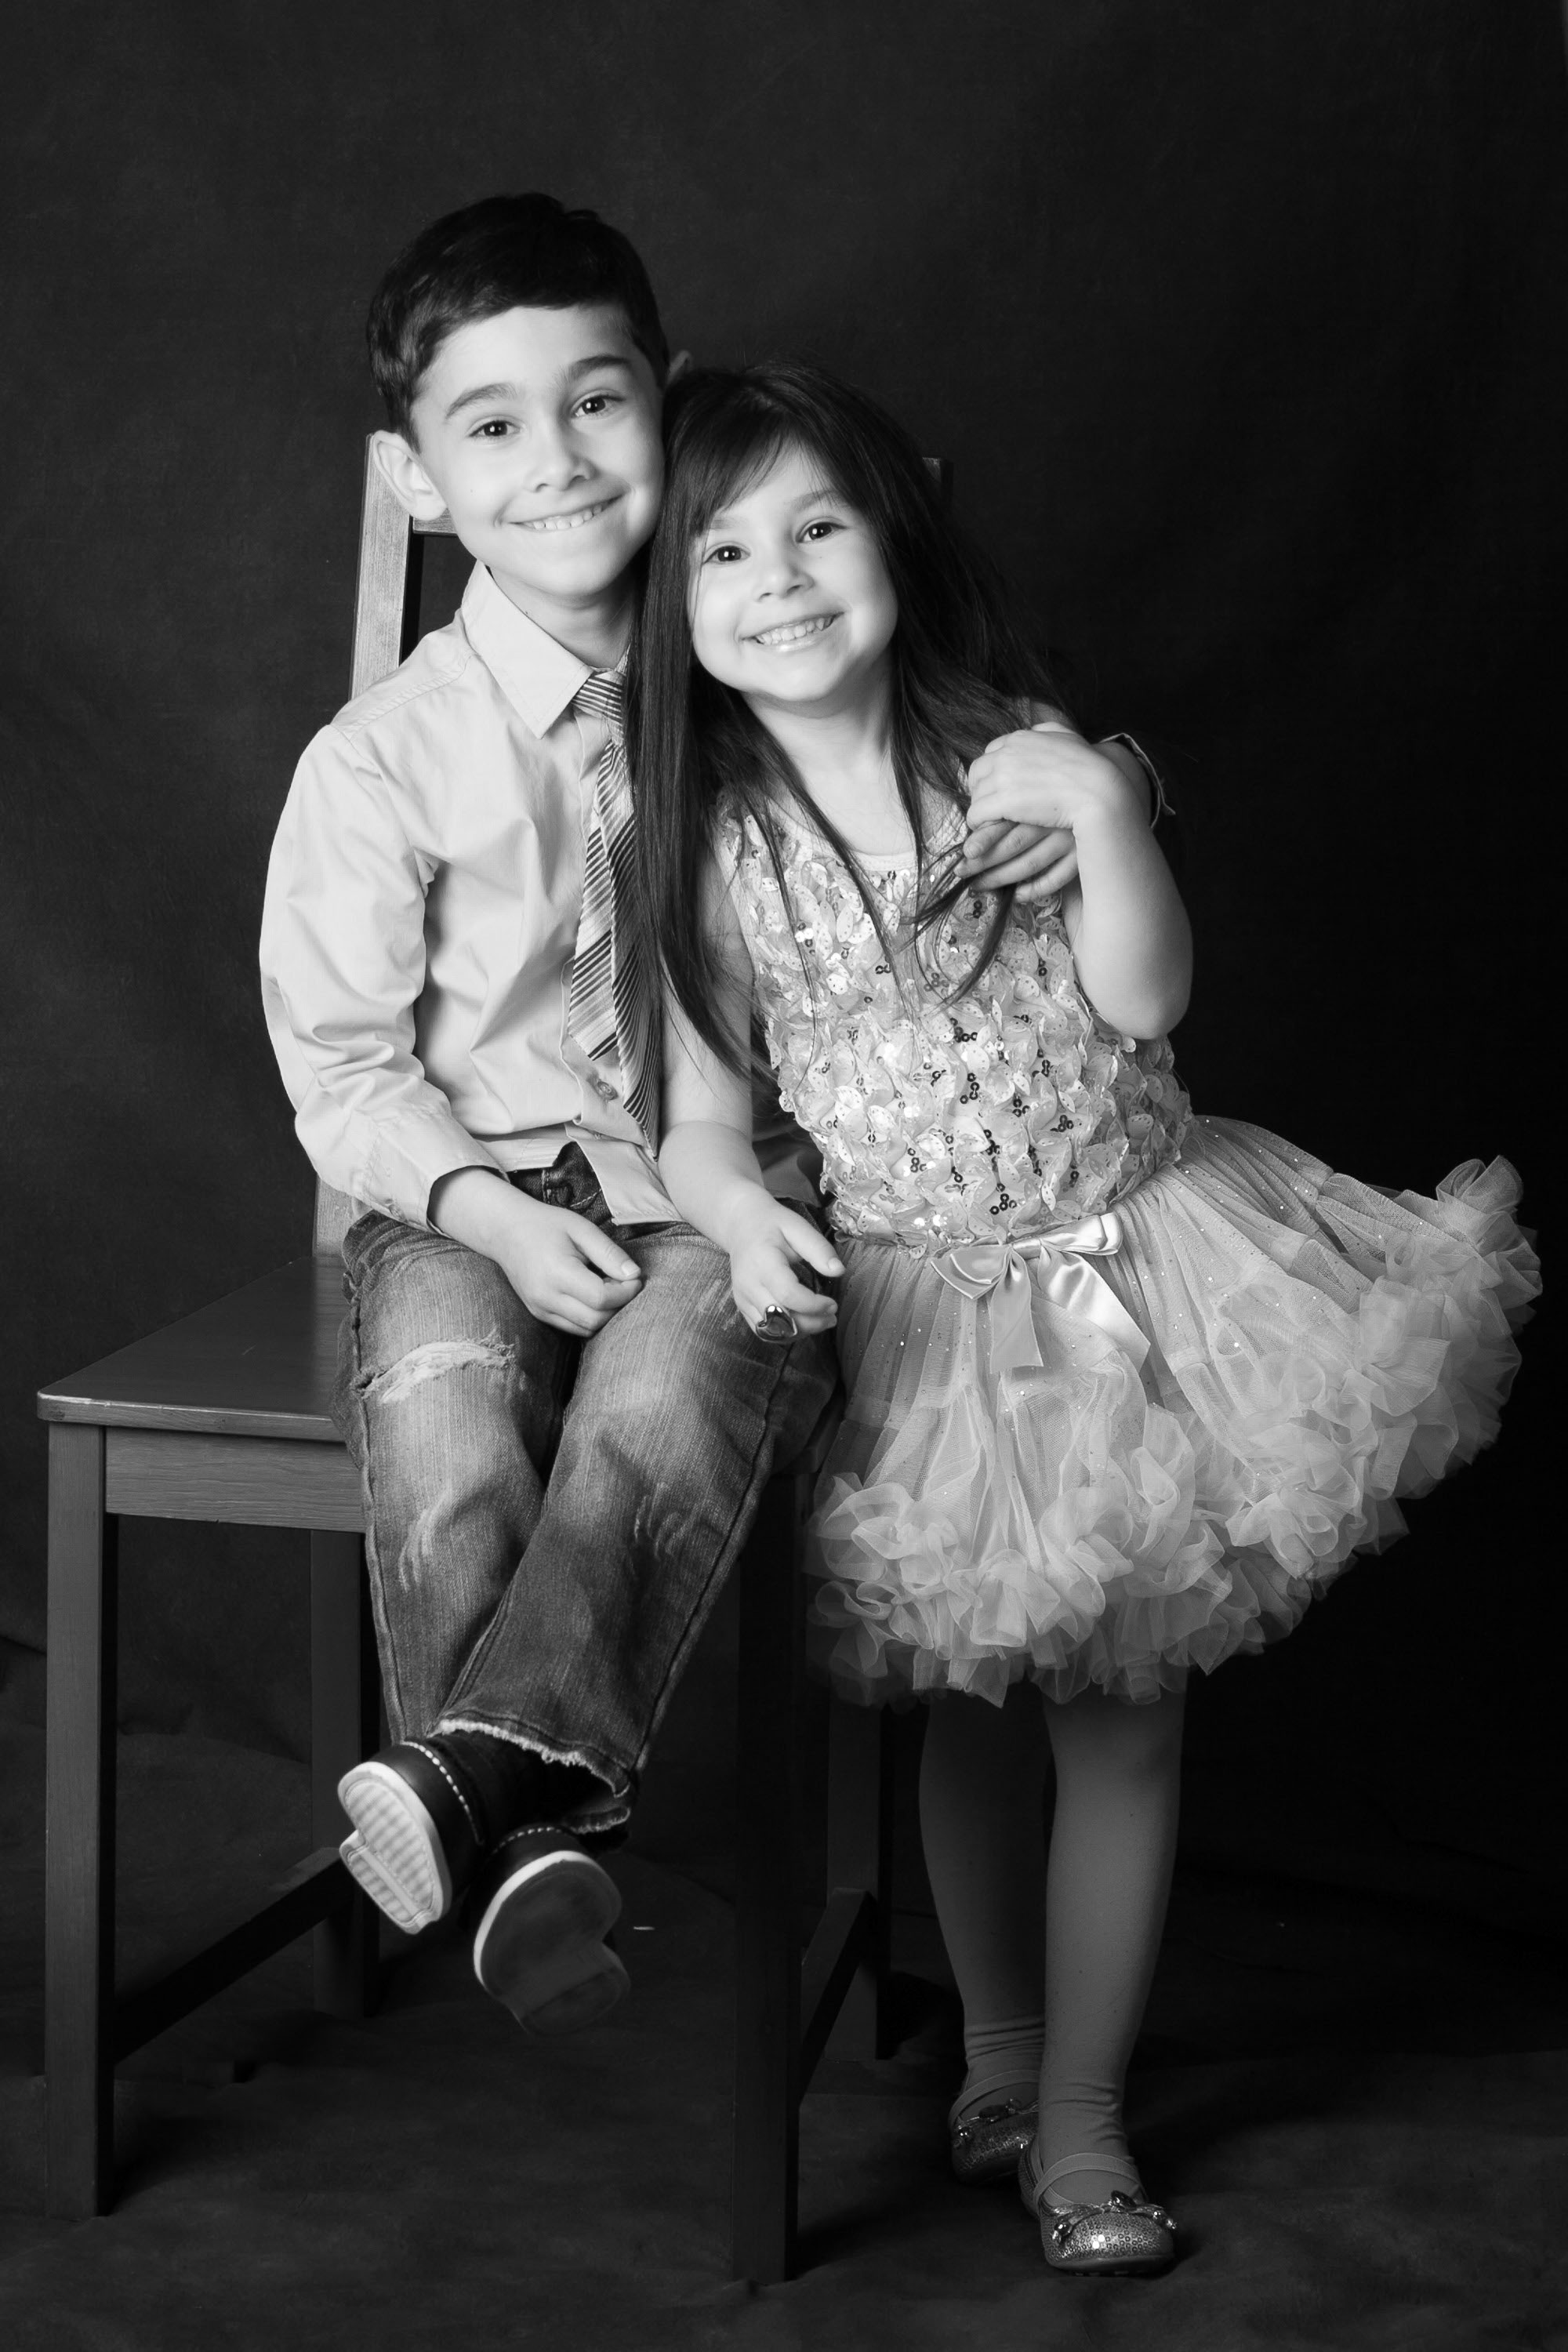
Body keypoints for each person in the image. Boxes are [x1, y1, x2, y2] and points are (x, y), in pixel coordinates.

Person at [637, 360, 1540, 2275]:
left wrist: (1110, 811)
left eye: (819, 525)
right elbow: (705, 1123)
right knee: (974, 1718)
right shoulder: (711, 851)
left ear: (895, 540)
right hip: (933, 1326)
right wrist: (731, 1217)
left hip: (1140, 1274)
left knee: (1123, 1726)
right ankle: (1000, 2052)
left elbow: (1144, 1003)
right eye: (723, 548)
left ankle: (1083, 2129)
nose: (780, 579)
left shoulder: (1020, 752)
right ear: (677, 609)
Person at [258, 198, 1078, 2042]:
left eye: (599, 405)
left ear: (673, 404)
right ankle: (534, 1813)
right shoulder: (378, 760)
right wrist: (476, 1207)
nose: (554, 465)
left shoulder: (759, 644)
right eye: (491, 429)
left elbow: (966, 739)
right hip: (459, 1192)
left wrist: (1098, 790)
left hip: (718, 1189)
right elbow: (343, 1073)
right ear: (419, 478)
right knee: (456, 1430)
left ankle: (475, 1790)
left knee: (645, 1411)